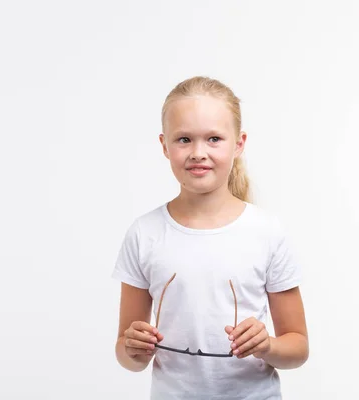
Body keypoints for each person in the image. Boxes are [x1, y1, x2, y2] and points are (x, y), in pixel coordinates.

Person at [112, 76, 309, 399]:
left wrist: (267, 345)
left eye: (214, 138)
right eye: (184, 139)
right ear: (164, 145)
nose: (198, 152)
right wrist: (134, 350)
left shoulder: (267, 232)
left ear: (239, 143)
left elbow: (298, 347)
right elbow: (126, 353)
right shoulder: (144, 233)